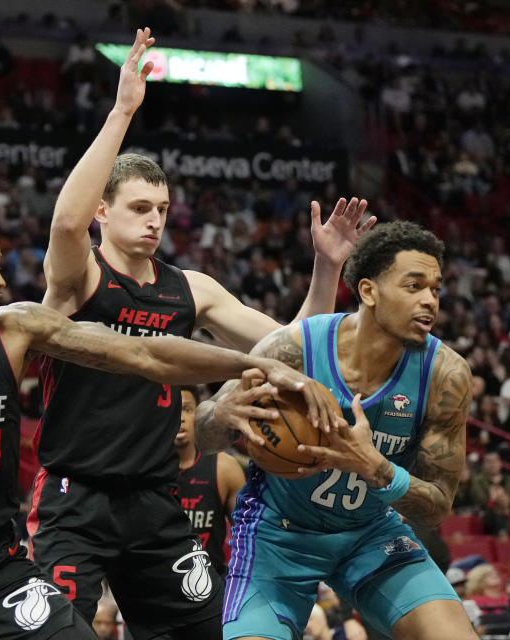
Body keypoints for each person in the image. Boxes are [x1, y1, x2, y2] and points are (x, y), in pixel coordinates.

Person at [0, 31, 326, 640]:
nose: (1, 276)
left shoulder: (18, 328)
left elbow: (144, 352)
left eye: (162, 209)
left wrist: (263, 364)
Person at [33, 28, 369, 637]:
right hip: (73, 496)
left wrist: (327, 267)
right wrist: (123, 111)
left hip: (156, 498)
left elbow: (290, 344)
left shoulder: (191, 287)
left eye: (161, 209)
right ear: (103, 213)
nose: (155, 220)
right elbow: (63, 221)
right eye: (140, 207)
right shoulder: (78, 275)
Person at [201, 222, 478, 639]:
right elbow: (203, 431)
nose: (429, 301)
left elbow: (437, 507)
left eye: (436, 289)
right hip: (279, 534)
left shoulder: (446, 375)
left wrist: (375, 467)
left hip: (370, 532)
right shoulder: (292, 348)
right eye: (414, 286)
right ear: (368, 291)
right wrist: (222, 415)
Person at [174, 386, 247, 577]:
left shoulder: (225, 468)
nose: (180, 417)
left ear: (197, 414)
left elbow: (248, 538)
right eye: (173, 409)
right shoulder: (143, 470)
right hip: (156, 585)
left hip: (212, 585)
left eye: (187, 409)